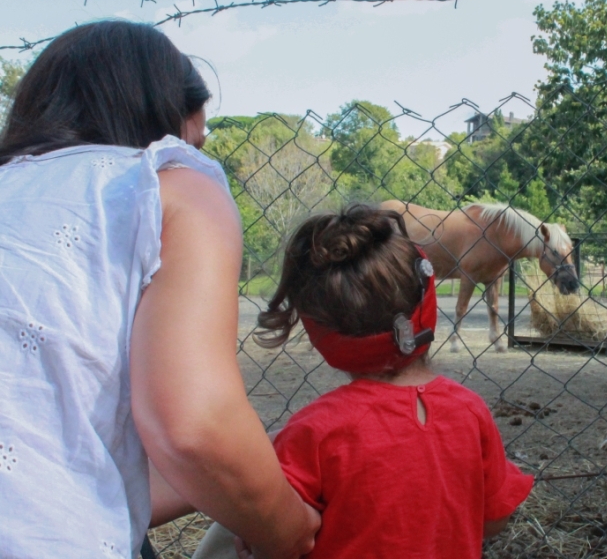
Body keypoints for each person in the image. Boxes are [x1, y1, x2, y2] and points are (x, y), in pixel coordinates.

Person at [0, 20, 319, 559]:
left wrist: (249, 476)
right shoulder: (164, 183)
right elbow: (194, 427)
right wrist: (287, 529)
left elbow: (56, 455)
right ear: (170, 119)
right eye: (197, 139)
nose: (198, 151)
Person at [192, 203, 534, 559]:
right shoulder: (470, 411)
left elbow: (274, 538)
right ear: (427, 302)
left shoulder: (314, 433)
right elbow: (495, 517)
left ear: (318, 331)